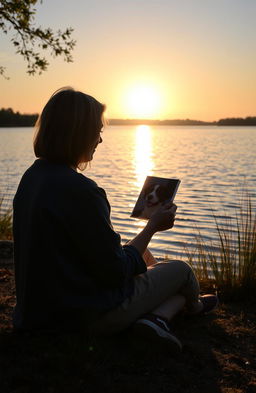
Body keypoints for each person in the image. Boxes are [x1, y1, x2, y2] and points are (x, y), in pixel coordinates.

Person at [12, 87, 218, 353]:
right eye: (96, 131)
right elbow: (115, 273)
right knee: (181, 270)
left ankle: (158, 317)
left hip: (38, 313)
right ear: (78, 133)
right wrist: (152, 226)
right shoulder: (83, 191)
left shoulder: (32, 178)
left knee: (144, 254)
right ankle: (193, 306)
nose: (99, 140)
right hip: (83, 318)